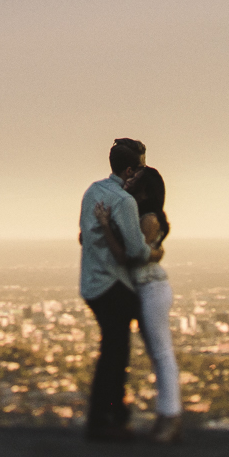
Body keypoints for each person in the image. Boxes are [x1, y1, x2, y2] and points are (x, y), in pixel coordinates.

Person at [96, 164, 181, 443]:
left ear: (146, 191)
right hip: (144, 289)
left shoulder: (148, 219)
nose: (128, 183)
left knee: (161, 352)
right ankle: (167, 418)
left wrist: (106, 227)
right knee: (157, 352)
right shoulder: (142, 216)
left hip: (151, 288)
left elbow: (131, 256)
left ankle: (170, 417)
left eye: (135, 181)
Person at [77, 137, 154, 441]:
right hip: (113, 284)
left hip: (91, 282)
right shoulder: (123, 201)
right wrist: (153, 251)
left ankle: (104, 416)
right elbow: (136, 250)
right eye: (141, 168)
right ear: (131, 170)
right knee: (115, 356)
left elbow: (83, 235)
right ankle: (107, 419)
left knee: (110, 351)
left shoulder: (93, 191)